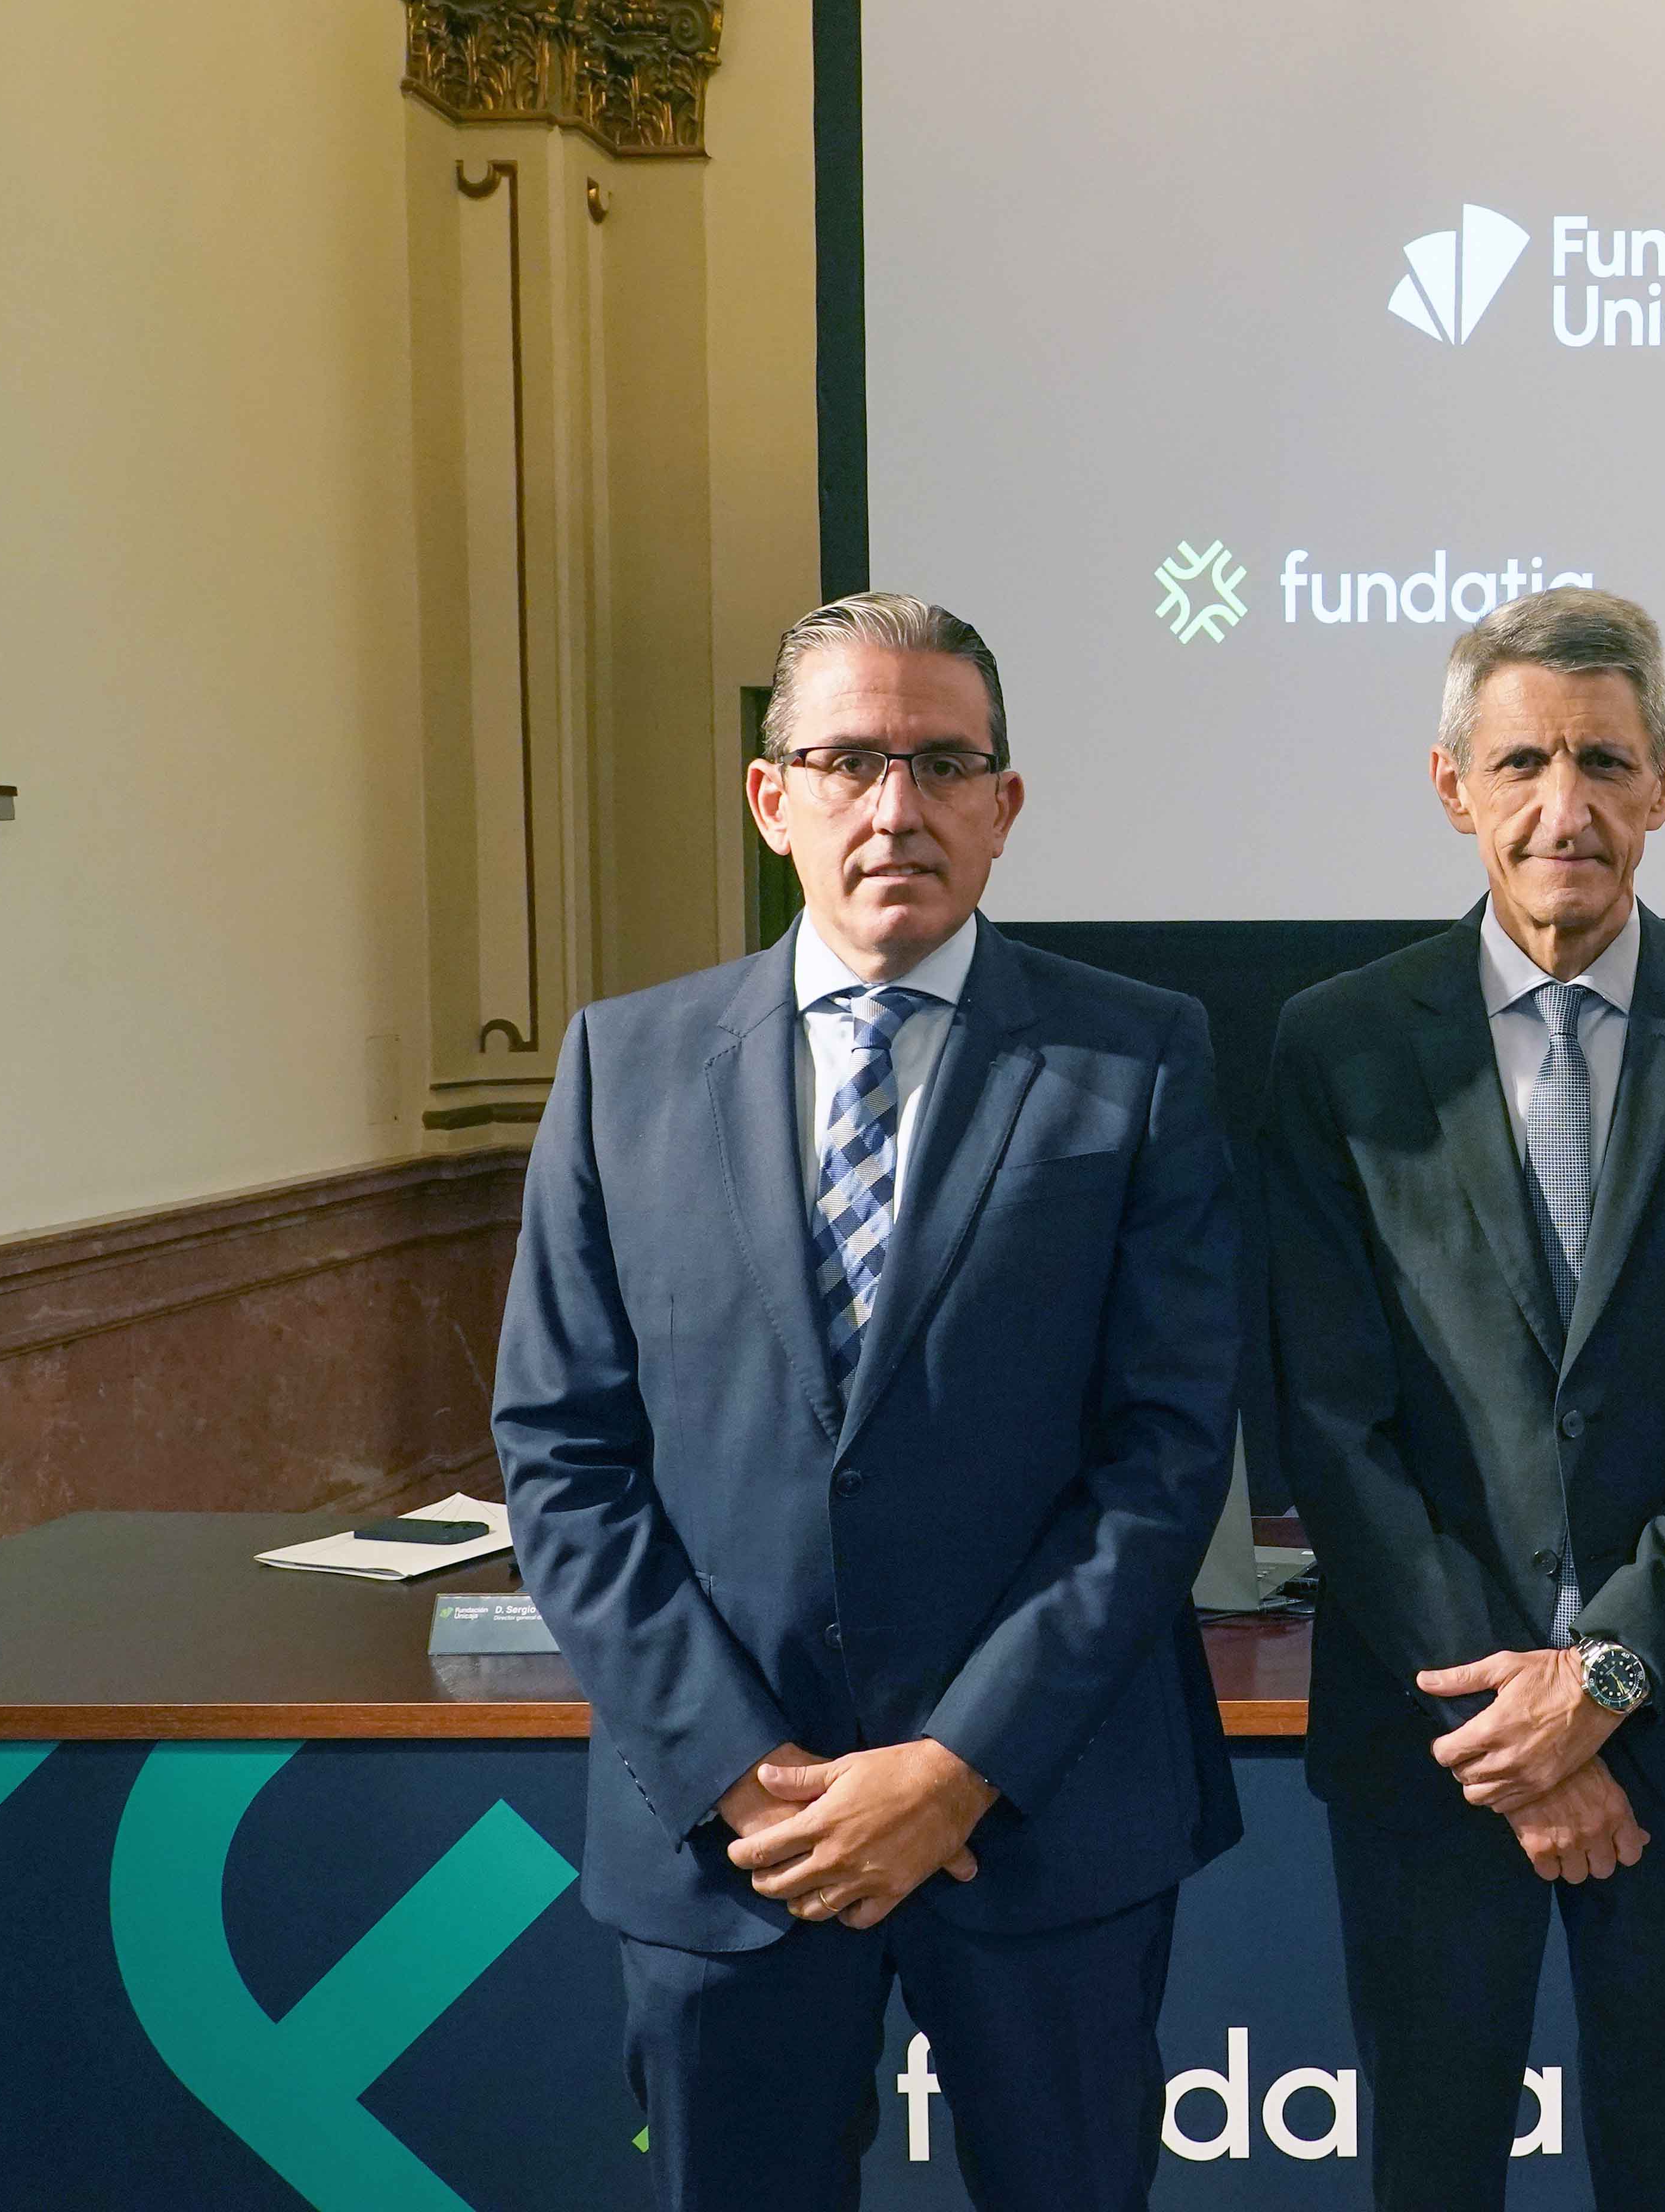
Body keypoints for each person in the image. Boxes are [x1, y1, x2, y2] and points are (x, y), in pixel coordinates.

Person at [492, 592, 1243, 2211]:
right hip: (732, 1840)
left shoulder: (1142, 1060)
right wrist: (733, 1764)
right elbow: (561, 1455)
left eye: (940, 762)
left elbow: (1166, 1454)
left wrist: (959, 1761)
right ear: (775, 800)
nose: (895, 807)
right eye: (847, 761)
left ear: (1003, 803)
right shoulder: (624, 1067)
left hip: (1042, 1822)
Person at [1264, 587, 1665, 2211]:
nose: (1565, 806)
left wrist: (1606, 1677)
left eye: (1605, 761)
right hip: (1431, 1742)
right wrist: (1514, 1727)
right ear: (1453, 784)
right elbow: (1331, 1419)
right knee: (1430, 2178)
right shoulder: (1337, 1049)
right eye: (1522, 761)